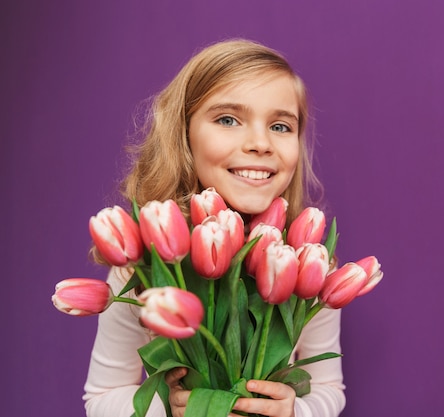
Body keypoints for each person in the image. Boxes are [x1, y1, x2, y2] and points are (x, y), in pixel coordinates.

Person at [82, 39, 345, 417]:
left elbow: (327, 388)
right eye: (228, 119)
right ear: (184, 135)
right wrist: (168, 410)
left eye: (280, 125)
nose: (260, 143)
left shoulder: (309, 263)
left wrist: (296, 412)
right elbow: (102, 397)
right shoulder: (141, 266)